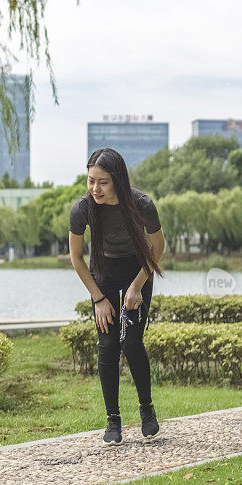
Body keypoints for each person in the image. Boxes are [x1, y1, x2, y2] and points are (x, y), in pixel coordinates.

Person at [68, 148, 166, 446]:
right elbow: (76, 258)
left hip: (139, 270)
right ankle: (113, 421)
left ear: (118, 181)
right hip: (104, 273)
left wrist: (137, 287)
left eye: (103, 182)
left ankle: (147, 412)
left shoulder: (141, 205)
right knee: (108, 343)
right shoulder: (82, 209)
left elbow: (158, 248)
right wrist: (98, 299)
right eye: (90, 181)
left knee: (132, 341)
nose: (95, 189)